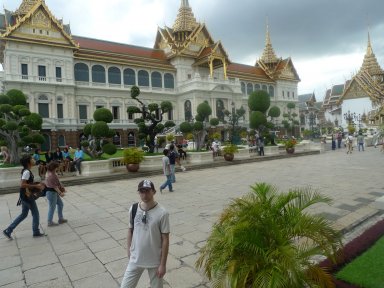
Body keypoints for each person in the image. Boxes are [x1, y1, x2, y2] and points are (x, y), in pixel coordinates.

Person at [120, 179, 170, 288]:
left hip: (155, 261)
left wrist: (163, 264)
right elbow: (130, 230)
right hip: (135, 258)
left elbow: (165, 239)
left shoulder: (162, 213)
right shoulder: (133, 209)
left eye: (147, 191)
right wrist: (128, 250)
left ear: (154, 192)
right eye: (142, 191)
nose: (144, 194)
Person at [3, 154, 46, 239]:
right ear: (28, 162)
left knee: (24, 214)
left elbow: (26, 183)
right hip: (27, 196)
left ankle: (8, 230)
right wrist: (36, 186)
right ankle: (36, 232)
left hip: (25, 196)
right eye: (32, 159)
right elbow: (22, 184)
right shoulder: (26, 171)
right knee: (35, 214)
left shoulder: (26, 171)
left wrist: (35, 184)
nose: (33, 159)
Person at [45, 161, 67, 227]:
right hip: (52, 192)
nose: (58, 168)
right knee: (52, 207)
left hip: (52, 192)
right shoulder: (52, 175)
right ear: (54, 167)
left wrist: (61, 186)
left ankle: (60, 219)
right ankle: (49, 221)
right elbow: (55, 186)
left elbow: (57, 182)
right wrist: (60, 193)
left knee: (60, 204)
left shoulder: (49, 172)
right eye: (57, 167)